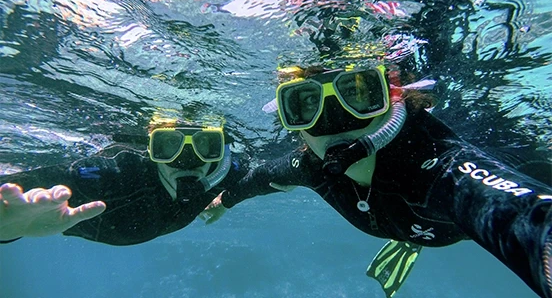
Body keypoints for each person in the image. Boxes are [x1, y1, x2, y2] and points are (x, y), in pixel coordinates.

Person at [204, 64, 552, 298]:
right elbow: (261, 177)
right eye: (307, 102)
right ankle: (410, 238)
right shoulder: (309, 165)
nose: (335, 120)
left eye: (357, 93)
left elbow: (523, 217)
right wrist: (225, 201)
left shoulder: (442, 169)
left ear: (392, 99)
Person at [0, 119, 247, 245]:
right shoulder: (115, 174)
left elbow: (265, 176)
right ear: (152, 150)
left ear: (220, 150)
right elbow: (14, 194)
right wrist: (9, 229)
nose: (188, 162)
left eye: (206, 145)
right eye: (169, 145)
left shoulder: (227, 171)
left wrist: (228, 200)